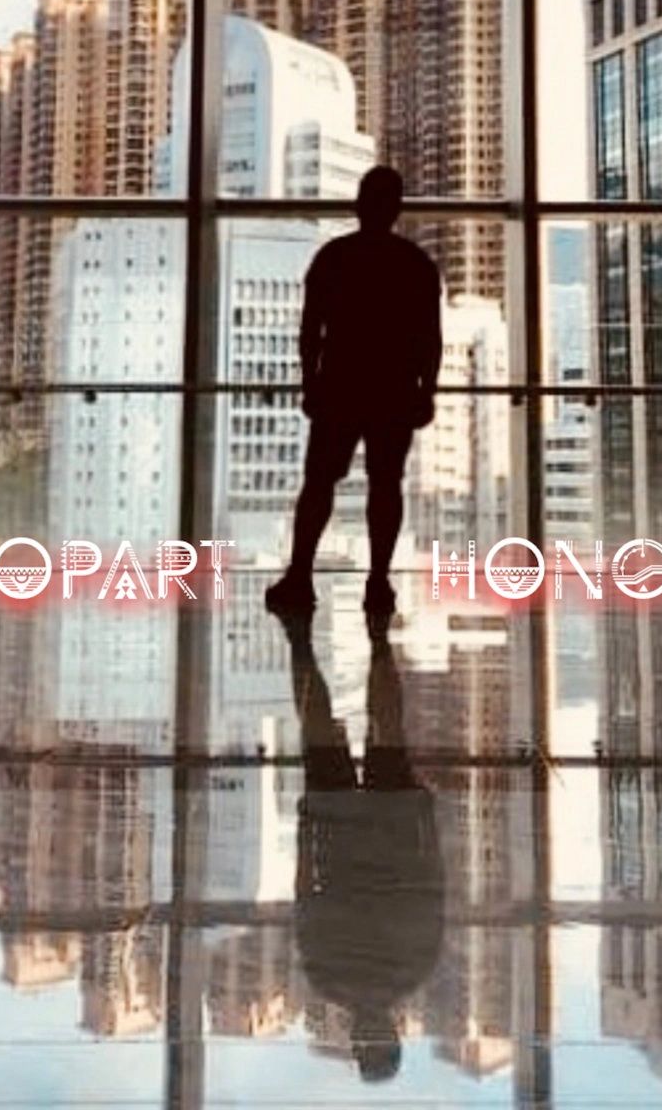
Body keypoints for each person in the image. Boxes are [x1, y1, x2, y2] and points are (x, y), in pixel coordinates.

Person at [266, 165, 442, 631]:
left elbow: (311, 332)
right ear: (397, 208)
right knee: (387, 485)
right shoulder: (416, 264)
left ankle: (300, 575)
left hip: (340, 389)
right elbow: (430, 337)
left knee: (319, 483)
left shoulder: (334, 258)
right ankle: (378, 582)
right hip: (394, 390)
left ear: (359, 204)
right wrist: (428, 389)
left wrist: (311, 383)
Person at [277, 610, 444, 1084]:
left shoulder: (414, 969)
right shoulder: (328, 977)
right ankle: (305, 640)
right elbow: (306, 897)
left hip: (387, 826)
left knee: (382, 728)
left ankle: (374, 639)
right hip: (343, 830)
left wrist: (425, 823)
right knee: (325, 730)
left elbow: (431, 887)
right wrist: (308, 828)